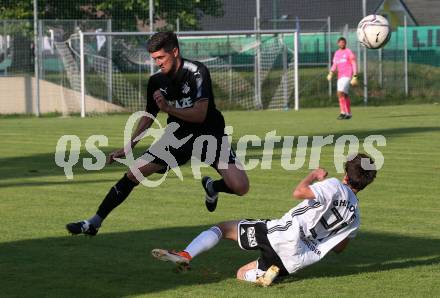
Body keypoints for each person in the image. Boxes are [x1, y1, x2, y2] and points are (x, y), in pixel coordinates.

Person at [66, 32, 249, 236]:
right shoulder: (156, 81)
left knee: (241, 187)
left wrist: (169, 109)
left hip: (210, 135)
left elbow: (199, 114)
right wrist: (129, 146)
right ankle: (93, 222)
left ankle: (212, 187)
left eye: (161, 57)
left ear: (175, 52)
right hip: (178, 137)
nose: (157, 63)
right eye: (154, 59)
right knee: (133, 173)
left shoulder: (197, 72)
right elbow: (149, 116)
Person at [152, 154, 377, 285]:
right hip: (297, 259)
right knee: (241, 274)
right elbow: (339, 248)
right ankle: (264, 276)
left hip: (281, 235)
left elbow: (299, 192)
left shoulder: (334, 185)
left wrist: (314, 175)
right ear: (366, 184)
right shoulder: (355, 217)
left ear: (346, 174)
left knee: (223, 228)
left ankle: (186, 254)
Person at [327, 37, 358, 120]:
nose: (342, 44)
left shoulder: (349, 52)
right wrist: (331, 73)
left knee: (340, 93)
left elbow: (354, 63)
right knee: (344, 94)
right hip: (340, 76)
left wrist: (355, 76)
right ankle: (348, 113)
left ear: (345, 43)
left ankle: (343, 112)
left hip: (347, 76)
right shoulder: (337, 53)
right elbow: (334, 64)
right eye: (340, 43)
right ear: (338, 44)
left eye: (343, 43)